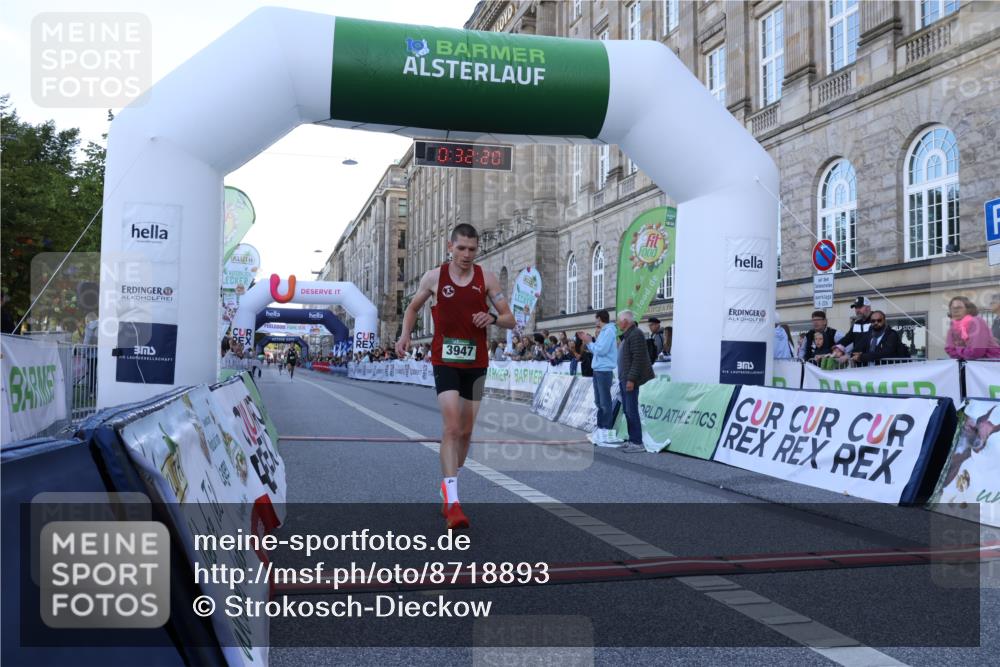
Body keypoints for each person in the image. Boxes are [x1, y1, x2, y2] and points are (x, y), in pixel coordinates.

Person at [396, 223, 515, 529]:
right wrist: (404, 336)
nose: (466, 255)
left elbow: (510, 318)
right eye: (460, 248)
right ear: (450, 247)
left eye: (472, 250)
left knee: (465, 432)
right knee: (450, 427)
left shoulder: (485, 278)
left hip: (476, 361)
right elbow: (411, 309)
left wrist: (491, 317)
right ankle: (452, 501)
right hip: (445, 359)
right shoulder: (435, 277)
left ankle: (448, 482)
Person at [579, 310, 622, 447]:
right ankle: (601, 428)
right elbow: (598, 349)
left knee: (605, 402)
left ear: (600, 319)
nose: (595, 321)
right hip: (598, 370)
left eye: (596, 319)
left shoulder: (609, 331)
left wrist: (589, 342)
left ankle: (606, 429)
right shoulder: (604, 331)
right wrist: (591, 343)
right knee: (599, 401)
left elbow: (601, 350)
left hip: (604, 370)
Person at [616, 310, 655, 453]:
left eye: (619, 320)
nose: (618, 323)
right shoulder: (628, 335)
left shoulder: (636, 334)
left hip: (629, 379)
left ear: (626, 321)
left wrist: (631, 379)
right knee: (627, 410)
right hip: (624, 378)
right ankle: (632, 439)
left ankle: (637, 442)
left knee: (631, 410)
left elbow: (638, 359)